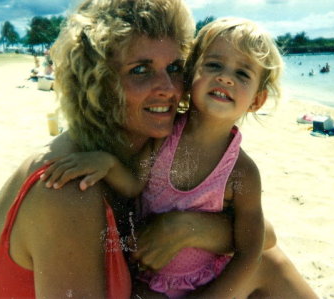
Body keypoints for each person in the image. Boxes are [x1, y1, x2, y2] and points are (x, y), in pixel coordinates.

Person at [41, 17, 318, 299]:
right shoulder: (164, 137)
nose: (225, 77)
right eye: (214, 65)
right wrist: (108, 164)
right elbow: (134, 185)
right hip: (147, 280)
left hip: (206, 284)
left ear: (257, 101)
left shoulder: (242, 172)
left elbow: (250, 251)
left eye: (242, 74)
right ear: (190, 75)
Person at [0, 0, 212, 298]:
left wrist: (192, 226)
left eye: (175, 67)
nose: (169, 87)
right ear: (96, 81)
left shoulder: (145, 155)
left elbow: (262, 234)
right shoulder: (68, 187)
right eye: (140, 69)